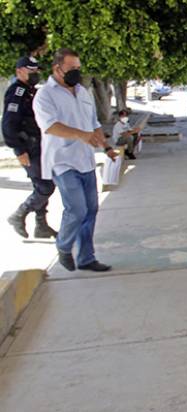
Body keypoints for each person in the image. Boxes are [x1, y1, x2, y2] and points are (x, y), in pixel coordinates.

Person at [33, 48, 116, 272]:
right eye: (71, 69)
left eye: (78, 68)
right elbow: (50, 126)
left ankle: (86, 258)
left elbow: (94, 123)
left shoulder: (82, 92)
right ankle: (63, 246)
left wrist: (106, 147)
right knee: (77, 209)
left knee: (91, 210)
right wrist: (82, 135)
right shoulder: (45, 95)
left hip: (86, 160)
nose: (76, 73)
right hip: (62, 161)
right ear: (57, 69)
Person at [4, 56, 58, 239]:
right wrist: (18, 149)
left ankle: (41, 226)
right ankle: (19, 215)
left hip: (38, 145)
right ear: (19, 71)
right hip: (28, 147)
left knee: (42, 183)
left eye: (36, 71)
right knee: (45, 186)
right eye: (30, 71)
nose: (35, 74)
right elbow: (9, 123)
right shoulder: (17, 92)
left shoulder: (30, 91)